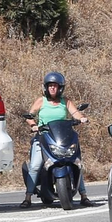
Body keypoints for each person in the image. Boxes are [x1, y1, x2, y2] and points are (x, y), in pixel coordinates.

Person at [19, 71, 92, 207]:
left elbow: (75, 113)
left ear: (60, 88)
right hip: (43, 137)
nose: (52, 88)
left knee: (76, 162)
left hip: (62, 138)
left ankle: (84, 196)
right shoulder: (41, 101)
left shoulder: (66, 101)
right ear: (46, 87)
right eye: (50, 85)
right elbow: (30, 116)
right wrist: (34, 125)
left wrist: (81, 118)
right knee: (35, 165)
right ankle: (27, 197)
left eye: (55, 85)